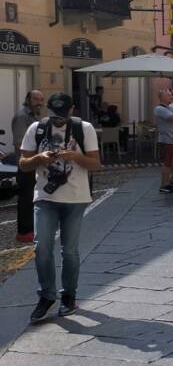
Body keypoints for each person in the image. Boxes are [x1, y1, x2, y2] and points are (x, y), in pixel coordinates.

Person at [19, 93, 101, 322]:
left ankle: (69, 296)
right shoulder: (37, 128)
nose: (57, 121)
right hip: (45, 198)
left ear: (72, 110)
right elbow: (23, 164)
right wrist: (38, 158)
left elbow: (96, 164)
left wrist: (74, 156)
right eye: (54, 117)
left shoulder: (84, 128)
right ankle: (46, 295)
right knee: (42, 247)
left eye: (62, 117)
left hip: (76, 198)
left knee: (70, 251)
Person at [11, 90, 45, 244]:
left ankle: (31, 228)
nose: (39, 102)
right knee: (25, 199)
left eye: (41, 99)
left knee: (32, 197)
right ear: (28, 100)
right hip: (26, 164)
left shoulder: (34, 116)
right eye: (36, 99)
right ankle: (24, 232)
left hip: (34, 162)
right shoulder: (22, 116)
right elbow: (19, 142)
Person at [155, 88, 173, 193]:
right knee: (168, 163)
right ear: (163, 97)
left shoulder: (170, 106)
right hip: (167, 140)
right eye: (169, 95)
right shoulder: (159, 109)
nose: (172, 97)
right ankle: (164, 185)